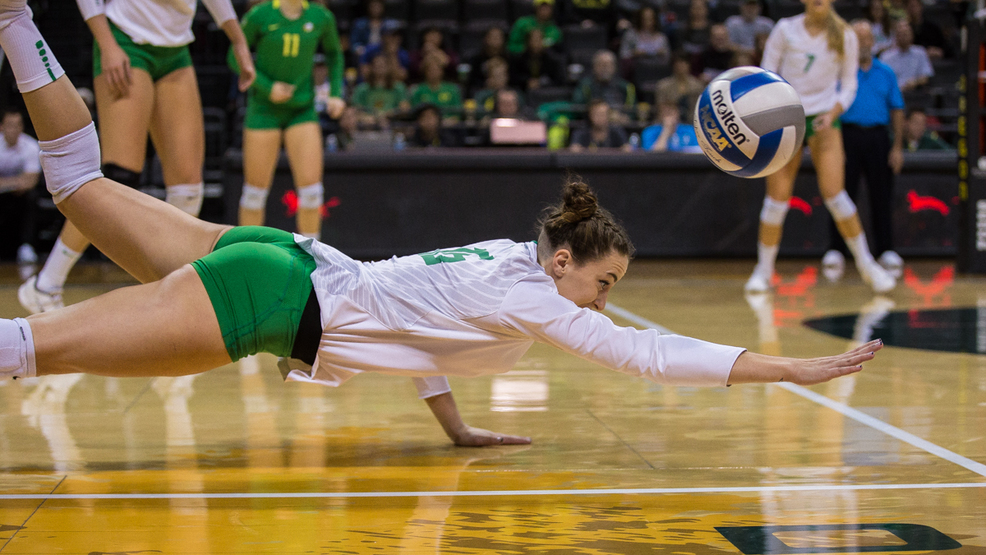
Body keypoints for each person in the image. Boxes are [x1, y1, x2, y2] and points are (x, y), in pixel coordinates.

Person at [0, 2, 883, 449]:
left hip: (282, 260)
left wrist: (455, 427)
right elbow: (648, 356)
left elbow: (420, 336)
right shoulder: (534, 299)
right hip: (276, 297)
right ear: (564, 262)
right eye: (603, 284)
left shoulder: (502, 259)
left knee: (77, 181)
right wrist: (789, 367)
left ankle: (15, 20)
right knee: (27, 351)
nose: (604, 303)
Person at [17, 0, 256, 314]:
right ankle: (46, 284)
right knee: (118, 178)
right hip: (125, 39)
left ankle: (172, 289)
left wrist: (238, 39)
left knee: (189, 186)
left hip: (176, 49)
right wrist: (107, 44)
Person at [747, 0, 896, 293]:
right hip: (786, 117)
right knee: (776, 200)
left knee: (836, 196)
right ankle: (763, 271)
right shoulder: (785, 29)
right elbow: (766, 73)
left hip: (824, 119)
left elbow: (850, 84)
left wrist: (834, 112)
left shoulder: (845, 35)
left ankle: (867, 266)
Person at [230, 0, 345, 241]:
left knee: (312, 193)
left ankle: (311, 257)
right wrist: (266, 86)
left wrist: (335, 92)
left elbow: (335, 54)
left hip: (301, 110)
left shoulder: (321, 17)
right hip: (264, 109)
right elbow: (234, 56)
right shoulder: (260, 15)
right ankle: (248, 254)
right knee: (254, 194)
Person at [822, 20, 906, 281]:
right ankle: (836, 250)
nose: (862, 43)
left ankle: (886, 250)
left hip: (878, 137)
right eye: (857, 39)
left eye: (866, 38)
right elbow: (829, 107)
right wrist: (835, 144)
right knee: (840, 194)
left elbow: (897, 109)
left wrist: (897, 147)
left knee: (882, 195)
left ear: (873, 41)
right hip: (845, 136)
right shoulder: (839, 71)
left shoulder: (886, 72)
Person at [0, 108, 40, 264]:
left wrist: (6, 183)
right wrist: (17, 181)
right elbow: (24, 179)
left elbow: (31, 180)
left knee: (32, 197)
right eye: (10, 125)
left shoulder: (31, 146)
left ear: (22, 127)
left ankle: (26, 246)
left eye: (17, 125)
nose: (14, 129)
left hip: (21, 195)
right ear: (2, 127)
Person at [350, 52, 409, 127]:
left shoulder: (399, 88)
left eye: (383, 65)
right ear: (371, 67)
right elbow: (355, 110)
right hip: (367, 126)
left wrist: (388, 115)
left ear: (389, 67)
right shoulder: (361, 89)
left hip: (393, 124)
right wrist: (367, 118)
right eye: (376, 65)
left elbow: (405, 109)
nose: (380, 67)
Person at [572, 50, 636, 118]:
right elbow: (577, 108)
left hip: (619, 122)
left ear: (614, 67)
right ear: (594, 67)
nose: (605, 68)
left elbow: (633, 112)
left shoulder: (626, 87)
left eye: (608, 65)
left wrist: (623, 117)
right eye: (601, 64)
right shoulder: (585, 85)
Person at [879, 19, 933, 93]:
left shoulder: (920, 52)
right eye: (900, 34)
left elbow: (926, 77)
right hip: (894, 93)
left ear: (912, 35)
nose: (903, 37)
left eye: (906, 34)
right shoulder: (886, 56)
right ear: (895, 37)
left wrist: (915, 82)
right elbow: (881, 79)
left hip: (915, 93)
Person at [509, 28, 565, 92]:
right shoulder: (519, 60)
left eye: (538, 40)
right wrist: (527, 81)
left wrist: (541, 82)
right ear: (528, 42)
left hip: (546, 91)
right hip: (524, 90)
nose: (536, 43)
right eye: (533, 40)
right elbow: (514, 78)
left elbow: (558, 80)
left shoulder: (552, 59)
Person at [655, 52, 703, 117]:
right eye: (678, 63)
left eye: (683, 63)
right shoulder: (663, 86)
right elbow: (660, 108)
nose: (680, 66)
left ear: (689, 65)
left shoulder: (698, 86)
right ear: (673, 65)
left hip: (692, 119)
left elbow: (701, 109)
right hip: (669, 119)